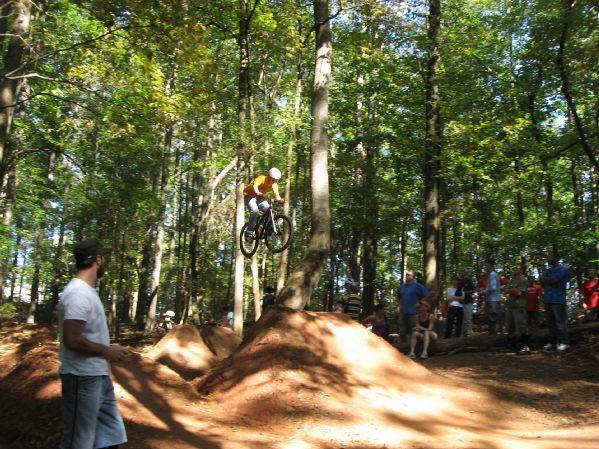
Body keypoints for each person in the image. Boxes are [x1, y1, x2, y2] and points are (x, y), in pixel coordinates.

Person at [57, 239, 129, 449]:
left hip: (97, 376)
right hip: (82, 377)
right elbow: (72, 340)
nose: (104, 261)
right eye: (103, 257)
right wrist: (107, 351)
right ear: (97, 259)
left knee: (111, 435)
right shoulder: (78, 293)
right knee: (79, 440)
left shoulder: (87, 292)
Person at [243, 167, 285, 242]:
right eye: (273, 179)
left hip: (259, 198)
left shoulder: (274, 184)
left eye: (276, 180)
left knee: (270, 210)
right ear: (269, 176)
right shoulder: (262, 178)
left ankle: (269, 229)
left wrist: (280, 200)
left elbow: (277, 195)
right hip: (249, 196)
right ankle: (248, 232)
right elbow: (255, 186)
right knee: (255, 211)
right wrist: (257, 192)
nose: (274, 181)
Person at [540, 252, 570, 350]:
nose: (548, 258)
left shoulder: (562, 269)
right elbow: (542, 281)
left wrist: (547, 280)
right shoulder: (548, 270)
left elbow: (554, 280)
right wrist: (548, 280)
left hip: (558, 299)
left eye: (550, 256)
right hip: (548, 299)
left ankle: (564, 342)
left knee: (560, 322)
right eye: (548, 256)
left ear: (556, 258)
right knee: (550, 322)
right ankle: (552, 342)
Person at [397, 271, 430, 341]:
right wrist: (399, 306)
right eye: (406, 275)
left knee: (413, 330)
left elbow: (427, 295)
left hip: (414, 312)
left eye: (409, 275)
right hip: (403, 312)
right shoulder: (401, 287)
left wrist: (420, 302)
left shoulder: (418, 286)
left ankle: (413, 348)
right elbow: (399, 298)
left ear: (413, 277)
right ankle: (403, 346)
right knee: (401, 330)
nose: (407, 276)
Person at [505, 264, 531, 353]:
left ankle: (525, 346)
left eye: (517, 268)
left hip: (519, 306)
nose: (514, 269)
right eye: (514, 267)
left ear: (522, 270)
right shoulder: (512, 279)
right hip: (510, 306)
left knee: (521, 326)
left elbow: (519, 293)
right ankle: (511, 345)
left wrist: (511, 290)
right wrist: (513, 289)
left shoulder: (524, 279)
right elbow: (505, 290)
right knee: (510, 327)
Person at [479, 258, 502, 335]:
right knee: (492, 319)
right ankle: (493, 336)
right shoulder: (492, 275)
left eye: (486, 265)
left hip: (493, 301)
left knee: (493, 319)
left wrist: (482, 292)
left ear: (491, 266)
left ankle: (494, 338)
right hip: (492, 300)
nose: (485, 267)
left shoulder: (492, 275)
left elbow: (493, 288)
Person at [458, 268, 475, 337]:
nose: (460, 273)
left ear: (464, 272)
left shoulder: (468, 280)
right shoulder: (460, 281)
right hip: (461, 303)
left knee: (468, 318)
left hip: (468, 301)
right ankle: (463, 334)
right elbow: (458, 292)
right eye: (459, 271)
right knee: (462, 319)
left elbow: (474, 290)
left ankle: (469, 334)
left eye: (461, 271)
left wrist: (466, 293)